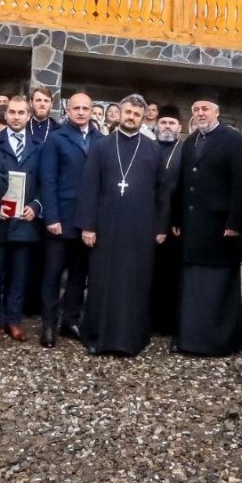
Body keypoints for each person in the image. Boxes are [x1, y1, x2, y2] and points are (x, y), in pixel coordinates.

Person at [76, 95, 170, 356]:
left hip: (140, 230)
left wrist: (161, 227)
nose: (131, 117)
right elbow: (89, 187)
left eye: (136, 115)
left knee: (135, 282)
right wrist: (87, 226)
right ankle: (98, 337)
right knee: (102, 281)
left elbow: (163, 192)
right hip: (105, 227)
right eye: (127, 112)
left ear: (143, 118)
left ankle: (132, 339)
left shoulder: (153, 149)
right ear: (119, 113)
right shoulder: (101, 146)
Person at [171, 87, 242, 356]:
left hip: (221, 230)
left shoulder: (233, 140)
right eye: (196, 109)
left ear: (216, 112)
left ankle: (219, 341)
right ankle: (190, 338)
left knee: (217, 288)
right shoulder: (189, 141)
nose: (200, 113)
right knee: (193, 287)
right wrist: (177, 217)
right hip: (194, 228)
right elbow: (182, 183)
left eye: (205, 109)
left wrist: (236, 223)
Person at [38, 91, 101, 347]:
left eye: (85, 108)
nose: (81, 112)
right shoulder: (56, 139)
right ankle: (49, 325)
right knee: (52, 274)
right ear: (68, 110)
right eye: (76, 108)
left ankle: (70, 320)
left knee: (79, 274)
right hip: (61, 219)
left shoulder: (102, 140)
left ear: (91, 110)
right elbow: (48, 179)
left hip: (87, 221)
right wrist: (51, 216)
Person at [0, 96, 43, 343]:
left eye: (21, 113)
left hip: (25, 221)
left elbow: (46, 182)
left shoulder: (39, 146)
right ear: (5, 115)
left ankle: (14, 320)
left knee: (19, 276)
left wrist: (36, 206)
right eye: (12, 112)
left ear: (29, 116)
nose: (17, 117)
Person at [150, 104, 185, 335]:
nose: (167, 127)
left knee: (169, 275)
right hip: (146, 219)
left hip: (173, 223)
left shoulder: (185, 151)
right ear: (156, 125)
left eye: (171, 123)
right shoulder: (147, 148)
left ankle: (167, 323)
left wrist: (178, 219)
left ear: (179, 127)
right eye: (163, 122)